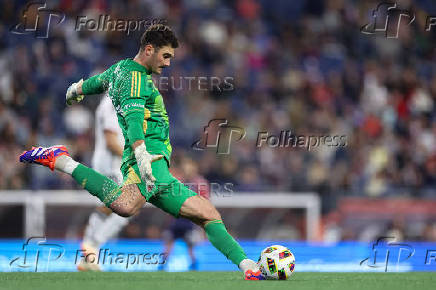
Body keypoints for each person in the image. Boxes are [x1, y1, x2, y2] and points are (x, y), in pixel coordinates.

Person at [19, 24, 263, 280]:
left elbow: (97, 82)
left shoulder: (122, 68)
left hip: (160, 170)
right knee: (125, 206)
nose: (168, 63)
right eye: (165, 56)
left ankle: (248, 266)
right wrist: (141, 154)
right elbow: (135, 120)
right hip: (147, 162)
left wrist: (76, 90)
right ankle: (61, 161)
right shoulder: (135, 80)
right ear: (149, 49)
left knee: (207, 213)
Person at [78, 95, 129, 271]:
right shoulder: (112, 103)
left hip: (113, 165)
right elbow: (111, 141)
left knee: (114, 208)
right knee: (124, 207)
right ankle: (91, 246)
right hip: (109, 165)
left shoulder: (116, 102)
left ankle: (89, 254)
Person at [159, 156, 209, 271]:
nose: (187, 169)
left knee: (190, 246)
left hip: (190, 220)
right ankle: (162, 265)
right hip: (177, 219)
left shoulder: (199, 183)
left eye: (189, 167)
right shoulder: (177, 181)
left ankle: (194, 265)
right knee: (169, 242)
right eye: (185, 167)